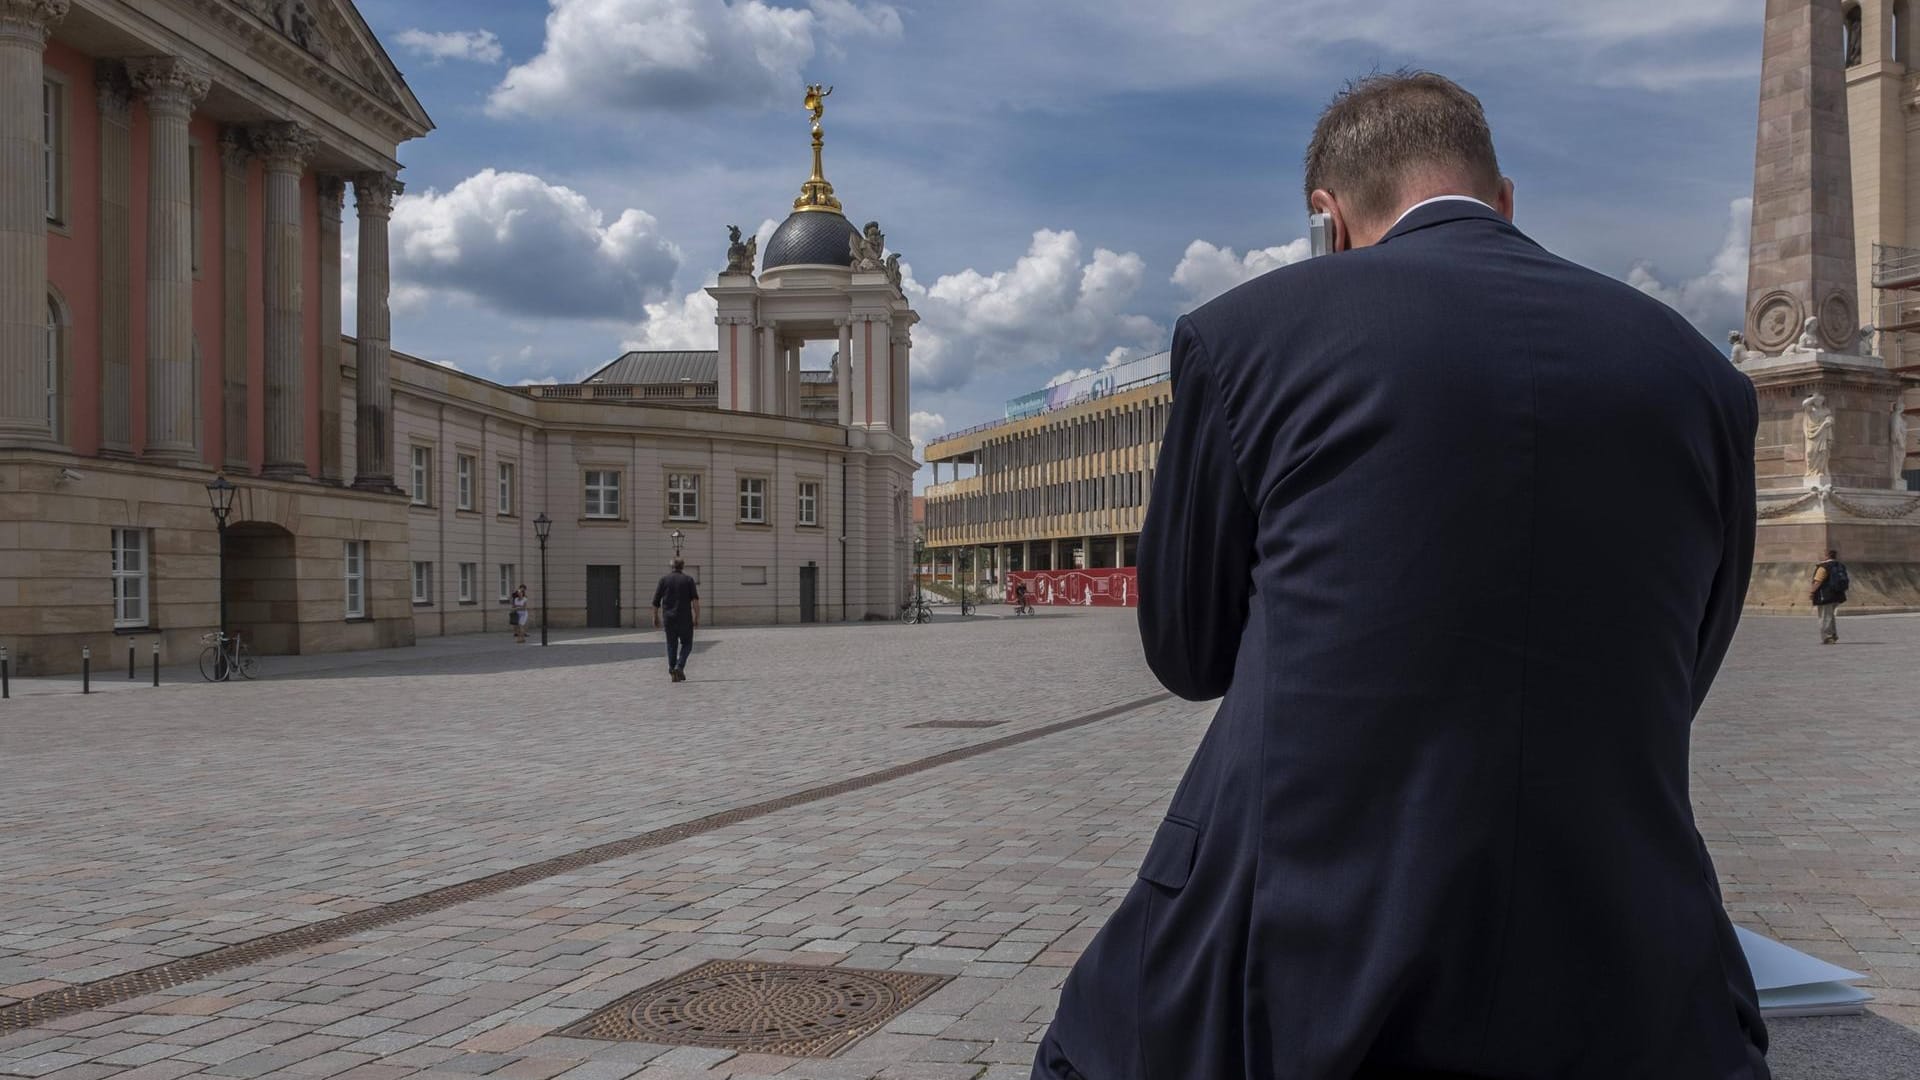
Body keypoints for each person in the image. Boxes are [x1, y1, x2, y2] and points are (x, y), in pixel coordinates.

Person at [1035, 72, 1766, 1080]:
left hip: (1301, 955)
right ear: (1505, 199)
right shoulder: (1701, 377)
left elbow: (1192, 650)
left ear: (1327, 220)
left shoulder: (1246, 334)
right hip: (1624, 967)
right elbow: (1685, 667)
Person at [650, 559, 699, 682]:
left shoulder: (664, 580)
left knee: (671, 644)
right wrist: (696, 617)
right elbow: (695, 601)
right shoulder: (688, 580)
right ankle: (679, 666)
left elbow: (656, 601)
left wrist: (655, 617)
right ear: (683, 566)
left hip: (669, 618)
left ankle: (673, 670)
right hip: (685, 618)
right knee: (687, 643)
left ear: (671, 566)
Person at [1812, 548, 1848, 644]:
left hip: (1825, 595)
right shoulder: (1840, 565)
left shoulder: (1823, 567)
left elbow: (1818, 581)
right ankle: (1833, 634)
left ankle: (1828, 637)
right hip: (1837, 595)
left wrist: (1812, 592)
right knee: (1830, 616)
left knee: (1824, 617)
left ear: (1827, 556)